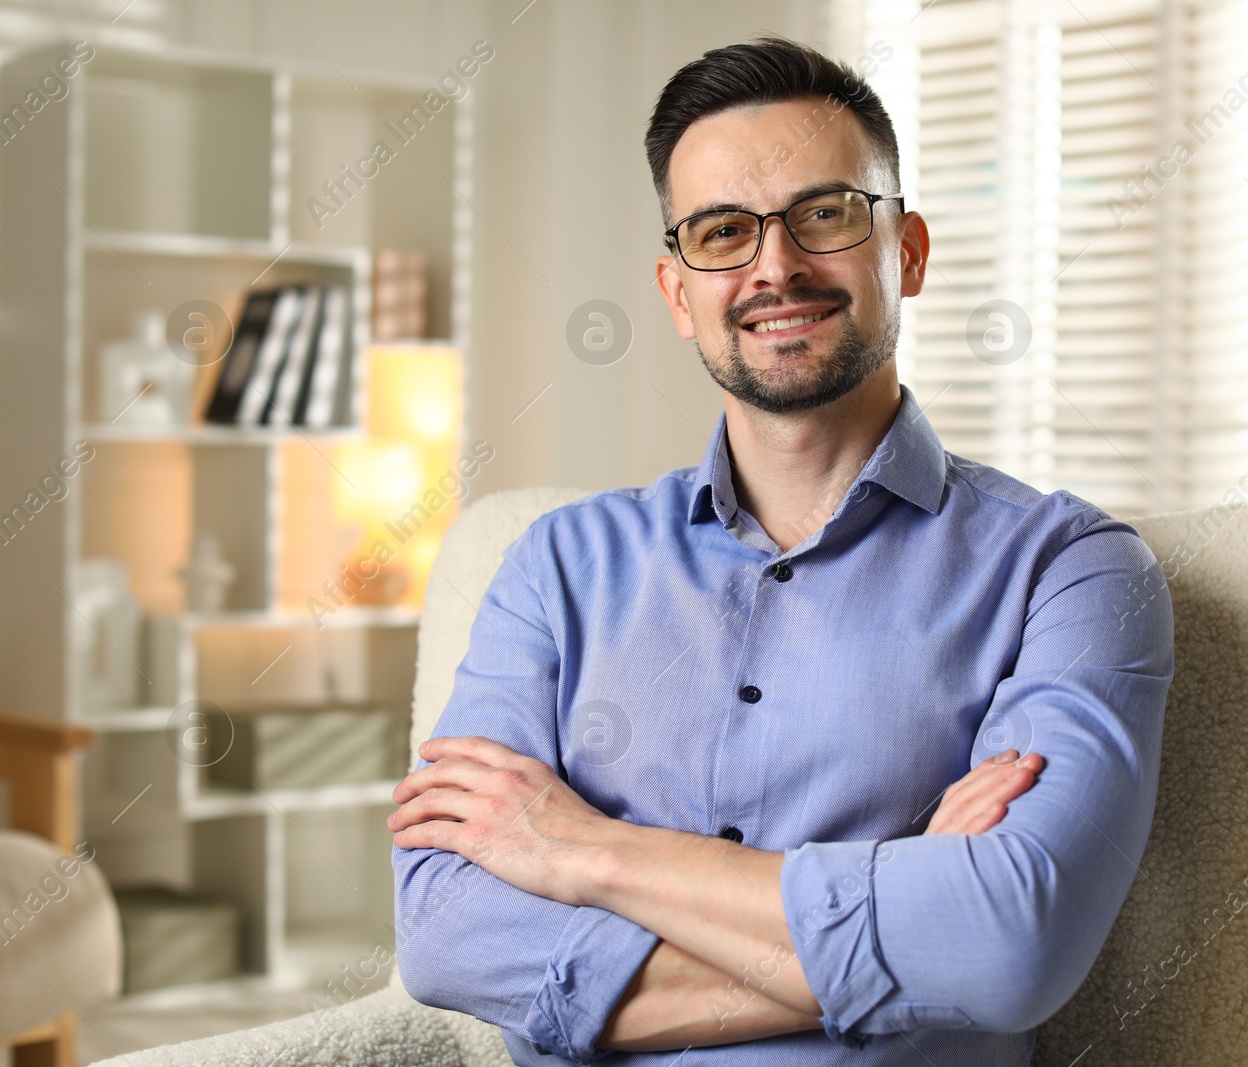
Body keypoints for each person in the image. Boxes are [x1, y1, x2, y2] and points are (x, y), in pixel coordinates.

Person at [389, 34, 1173, 1066]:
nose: (776, 265)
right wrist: (897, 908)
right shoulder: (555, 565)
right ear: (678, 293)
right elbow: (443, 931)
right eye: (721, 231)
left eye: (825, 214)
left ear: (908, 252)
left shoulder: (1072, 571)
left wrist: (584, 848)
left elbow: (1008, 946)